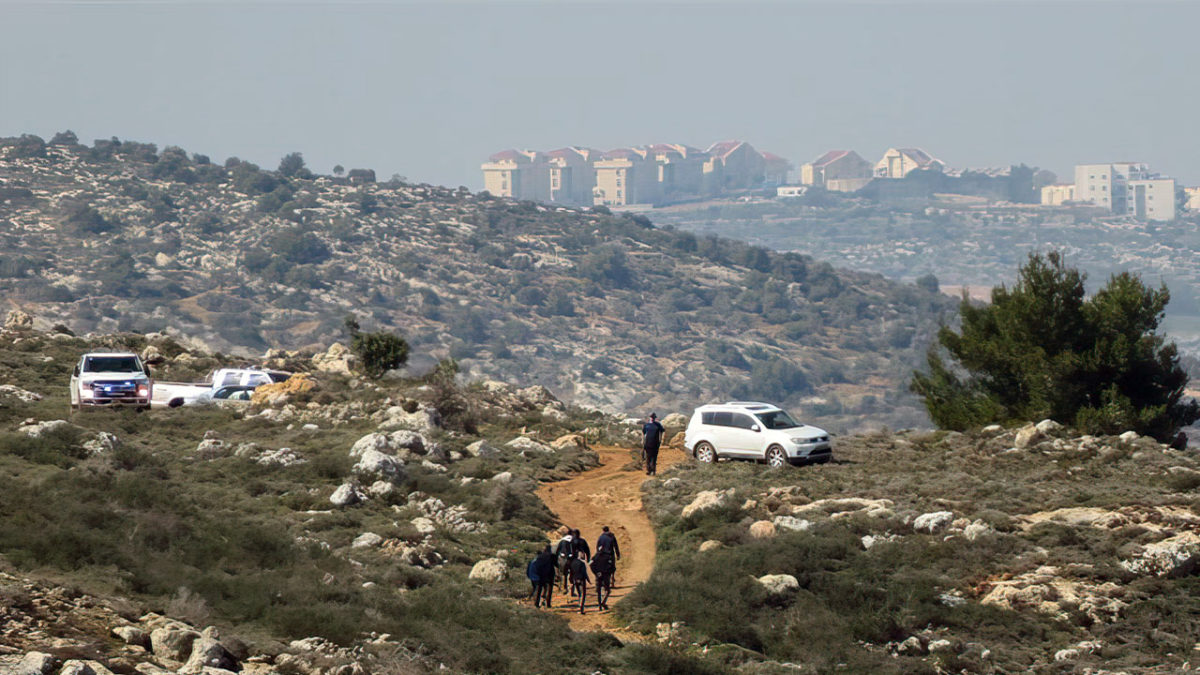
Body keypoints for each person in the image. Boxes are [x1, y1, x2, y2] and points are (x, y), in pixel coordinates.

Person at [531, 544, 557, 608]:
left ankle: (537, 603)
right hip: (550, 574)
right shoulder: (552, 556)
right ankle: (548, 603)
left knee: (539, 589)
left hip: (541, 574)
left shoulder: (539, 556)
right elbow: (556, 564)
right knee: (549, 588)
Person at [568, 550, 591, 614]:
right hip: (581, 579)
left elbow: (571, 573)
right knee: (582, 594)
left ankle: (579, 607)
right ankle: (581, 607)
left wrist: (571, 580)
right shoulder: (582, 563)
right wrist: (588, 580)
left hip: (575, 579)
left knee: (579, 593)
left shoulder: (572, 563)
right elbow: (584, 573)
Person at [554, 529, 576, 594]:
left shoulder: (562, 541)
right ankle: (572, 590)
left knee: (563, 573)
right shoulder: (573, 540)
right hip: (571, 559)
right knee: (573, 573)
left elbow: (557, 550)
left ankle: (564, 587)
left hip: (563, 558)